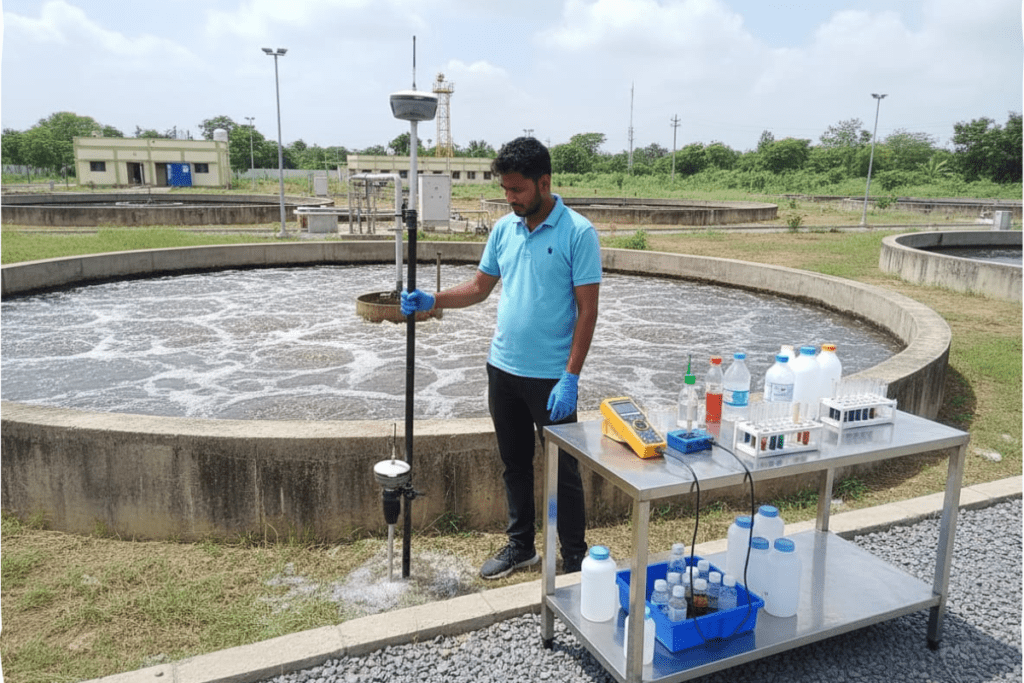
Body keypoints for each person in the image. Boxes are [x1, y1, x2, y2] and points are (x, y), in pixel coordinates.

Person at [401, 137, 602, 579]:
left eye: (517, 189)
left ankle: (574, 556)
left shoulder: (578, 232)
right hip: (503, 369)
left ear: (544, 182)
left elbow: (588, 310)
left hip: (551, 378)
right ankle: (521, 546)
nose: (510, 198)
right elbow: (479, 288)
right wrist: (433, 299)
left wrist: (571, 377)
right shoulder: (504, 229)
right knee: (514, 465)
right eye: (505, 190)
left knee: (563, 471)